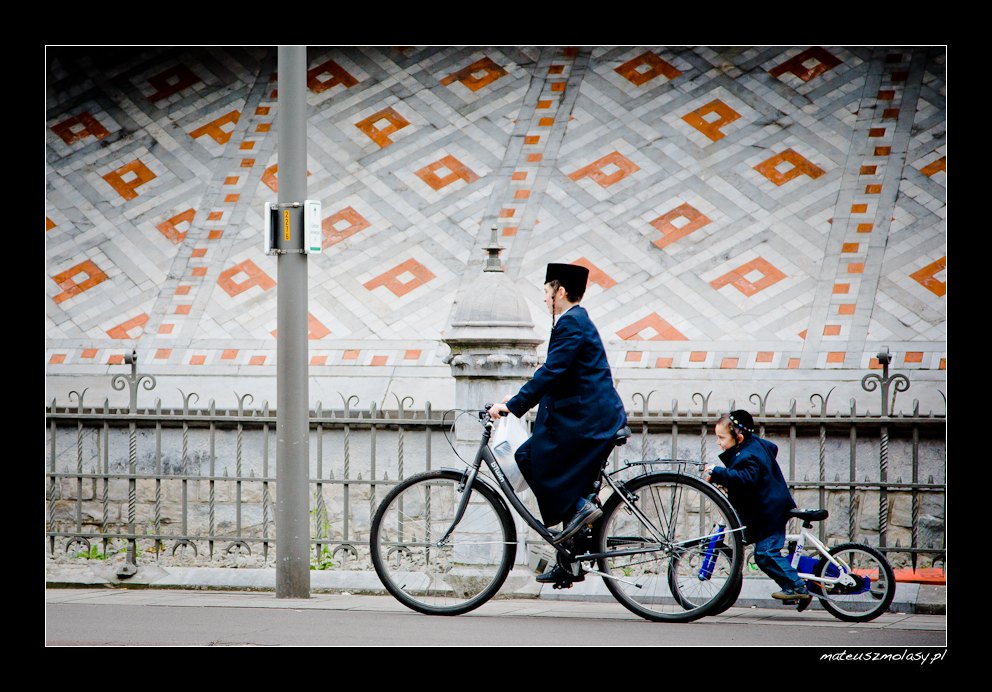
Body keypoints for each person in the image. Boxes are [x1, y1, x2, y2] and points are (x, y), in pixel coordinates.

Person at [488, 263, 627, 584]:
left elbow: (552, 372)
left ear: (560, 291)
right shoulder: (576, 322)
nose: (544, 297)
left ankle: (579, 509)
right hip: (587, 418)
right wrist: (517, 398)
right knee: (566, 480)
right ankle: (569, 563)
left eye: (546, 291)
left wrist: (512, 406)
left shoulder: (571, 324)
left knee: (529, 458)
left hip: (588, 421)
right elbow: (558, 373)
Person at [704, 410, 811, 602]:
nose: (718, 442)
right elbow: (772, 450)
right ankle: (794, 588)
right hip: (769, 509)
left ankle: (797, 586)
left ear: (739, 437)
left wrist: (718, 472)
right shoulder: (754, 447)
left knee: (765, 554)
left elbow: (746, 478)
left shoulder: (748, 455)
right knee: (765, 554)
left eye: (721, 437)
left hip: (770, 512)